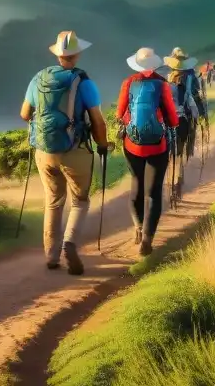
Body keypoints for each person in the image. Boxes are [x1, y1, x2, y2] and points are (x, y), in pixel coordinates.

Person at [20, 30, 111, 276]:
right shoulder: (83, 82)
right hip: (75, 150)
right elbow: (98, 122)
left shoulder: (38, 78)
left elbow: (25, 114)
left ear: (58, 55)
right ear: (77, 54)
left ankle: (51, 256)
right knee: (80, 200)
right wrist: (102, 145)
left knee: (53, 200)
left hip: (44, 151)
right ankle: (70, 243)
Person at [116, 47, 179, 256]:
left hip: (132, 145)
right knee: (153, 193)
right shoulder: (162, 85)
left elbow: (119, 113)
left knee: (136, 185)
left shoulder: (128, 82)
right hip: (157, 145)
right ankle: (147, 240)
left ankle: (137, 227)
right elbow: (172, 117)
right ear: (154, 65)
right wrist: (169, 123)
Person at [164, 47, 205, 198]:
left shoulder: (167, 80)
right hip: (183, 120)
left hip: (168, 122)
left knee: (170, 152)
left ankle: (171, 180)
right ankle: (178, 180)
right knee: (180, 152)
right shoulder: (190, 77)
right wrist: (197, 117)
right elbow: (193, 102)